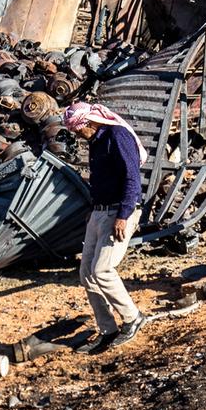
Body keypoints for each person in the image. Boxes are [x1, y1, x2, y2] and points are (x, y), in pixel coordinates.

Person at [64, 102, 148, 353]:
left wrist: (123, 215)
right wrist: (93, 209)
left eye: (79, 130)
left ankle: (133, 318)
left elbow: (132, 178)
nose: (79, 136)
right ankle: (107, 330)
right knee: (86, 274)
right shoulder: (96, 141)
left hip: (118, 213)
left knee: (102, 269)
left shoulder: (117, 136)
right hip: (100, 212)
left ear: (90, 122)